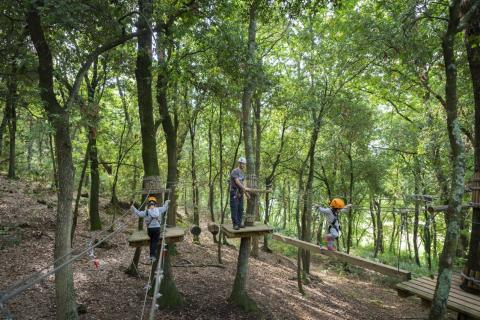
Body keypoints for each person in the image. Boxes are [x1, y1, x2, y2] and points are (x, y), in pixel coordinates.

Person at [131, 196, 170, 262]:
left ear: (148, 205)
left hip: (150, 229)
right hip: (157, 229)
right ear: (155, 204)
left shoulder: (146, 212)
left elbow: (138, 213)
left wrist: (133, 207)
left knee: (152, 241)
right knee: (154, 242)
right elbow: (165, 208)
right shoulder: (159, 209)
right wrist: (166, 202)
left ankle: (152, 256)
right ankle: (152, 256)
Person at [230, 157, 251, 230]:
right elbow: (237, 181)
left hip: (241, 193)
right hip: (234, 192)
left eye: (244, 164)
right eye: (241, 163)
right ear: (239, 163)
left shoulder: (242, 173)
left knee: (240, 208)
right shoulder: (235, 171)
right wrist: (244, 188)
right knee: (234, 208)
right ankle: (235, 224)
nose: (242, 165)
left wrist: (246, 193)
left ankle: (239, 223)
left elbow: (243, 184)